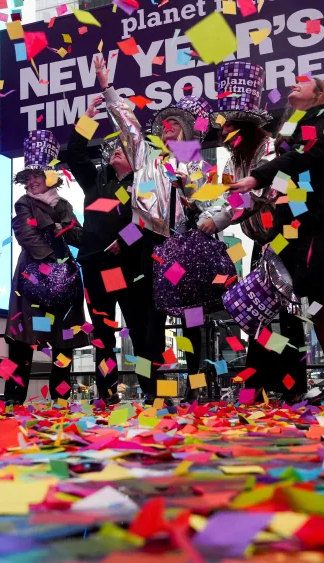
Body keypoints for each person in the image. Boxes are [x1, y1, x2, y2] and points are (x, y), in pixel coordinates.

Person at [229, 77, 324, 404]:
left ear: (319, 93)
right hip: (305, 235)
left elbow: (302, 159)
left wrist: (256, 178)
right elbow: (286, 175)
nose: (293, 84)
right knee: (318, 307)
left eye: (302, 82)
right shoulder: (295, 126)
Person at [96, 56, 213, 403]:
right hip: (153, 246)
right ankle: (156, 393)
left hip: (186, 246)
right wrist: (107, 86)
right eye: (164, 124)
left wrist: (190, 192)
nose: (167, 128)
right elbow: (127, 121)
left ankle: (197, 389)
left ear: (188, 131)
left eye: (174, 124)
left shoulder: (198, 165)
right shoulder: (147, 156)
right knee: (152, 319)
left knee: (192, 319)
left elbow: (212, 207)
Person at [208, 61, 308, 403]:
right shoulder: (231, 162)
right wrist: (207, 216)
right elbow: (225, 197)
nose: (222, 136)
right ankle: (257, 386)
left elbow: (260, 194)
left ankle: (293, 386)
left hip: (286, 237)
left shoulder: (269, 150)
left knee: (289, 314)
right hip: (259, 244)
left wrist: (220, 219)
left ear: (244, 129)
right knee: (256, 313)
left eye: (228, 129)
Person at [3, 131, 88, 405]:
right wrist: (50, 258)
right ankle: (13, 398)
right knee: (23, 339)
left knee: (64, 339)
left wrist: (67, 229)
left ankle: (61, 398)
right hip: (33, 277)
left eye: (36, 176)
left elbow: (78, 237)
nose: (32, 181)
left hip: (65, 279)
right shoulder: (23, 203)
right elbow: (26, 235)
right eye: (28, 178)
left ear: (50, 177)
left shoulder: (64, 205)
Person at [65, 96, 137, 405]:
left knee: (140, 327)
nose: (116, 150)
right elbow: (74, 154)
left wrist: (127, 240)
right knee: (103, 331)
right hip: (96, 265)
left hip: (131, 265)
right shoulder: (95, 180)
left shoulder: (145, 181)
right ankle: (107, 391)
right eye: (113, 148)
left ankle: (152, 390)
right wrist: (88, 118)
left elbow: (152, 220)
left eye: (124, 147)